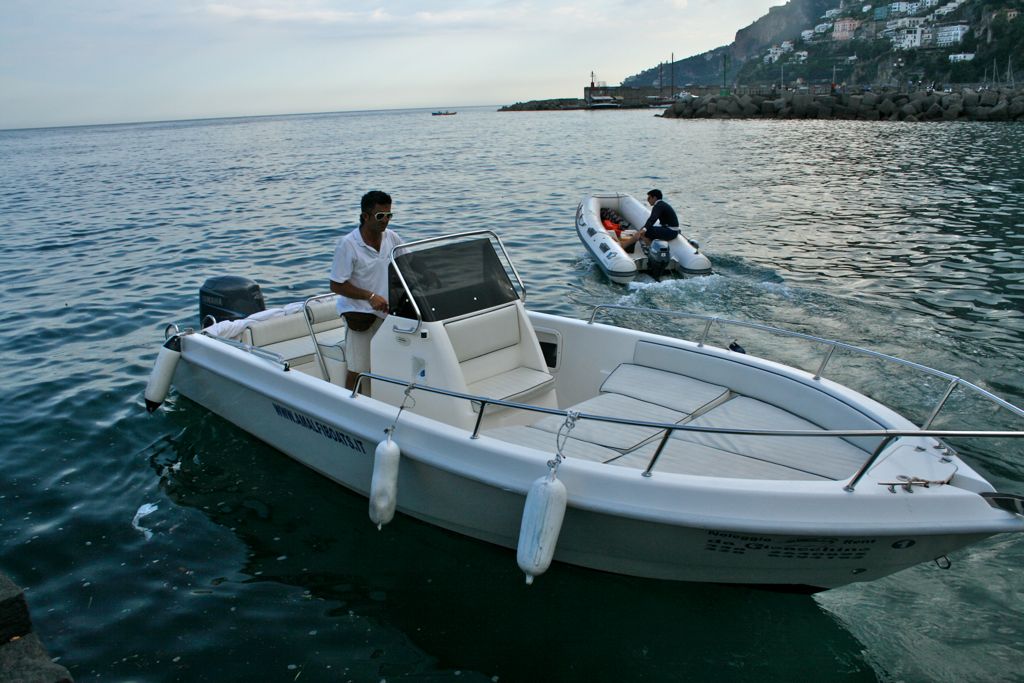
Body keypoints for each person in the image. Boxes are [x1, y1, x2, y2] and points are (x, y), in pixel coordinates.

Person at [329, 190, 403, 391]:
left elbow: (407, 264)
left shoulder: (392, 238)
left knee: (388, 364)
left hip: (387, 313)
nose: (385, 220)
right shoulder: (348, 245)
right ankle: (348, 404)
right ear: (365, 216)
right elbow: (336, 285)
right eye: (380, 216)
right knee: (357, 370)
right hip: (359, 314)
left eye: (389, 215)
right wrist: (369, 296)